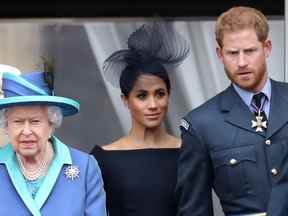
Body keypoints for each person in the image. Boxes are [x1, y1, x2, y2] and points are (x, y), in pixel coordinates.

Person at [176, 6, 287, 216]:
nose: (242, 62)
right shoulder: (201, 124)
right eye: (233, 53)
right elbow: (193, 210)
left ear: (267, 48)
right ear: (220, 54)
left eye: (250, 51)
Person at [91, 22, 190, 216]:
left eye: (160, 94)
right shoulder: (102, 159)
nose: (153, 104)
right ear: (125, 100)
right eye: (142, 96)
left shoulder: (188, 153)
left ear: (169, 95)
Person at [0, 70, 107, 215]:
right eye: (18, 122)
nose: (26, 131)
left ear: (51, 124)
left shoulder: (85, 167)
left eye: (35, 121)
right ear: (6, 126)